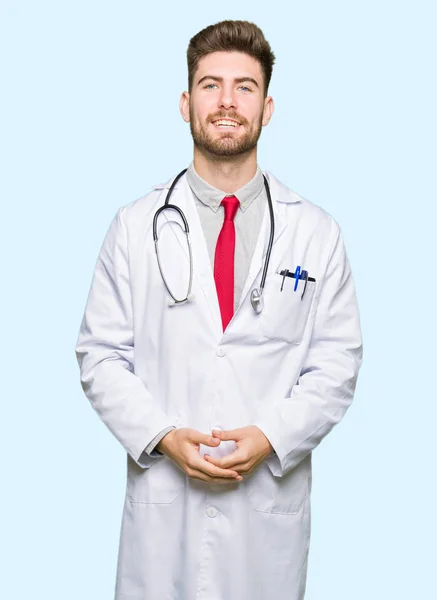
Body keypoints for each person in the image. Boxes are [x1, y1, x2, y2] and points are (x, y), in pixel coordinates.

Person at [75, 19, 363, 600]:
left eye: (244, 86)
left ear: (268, 106)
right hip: (165, 518)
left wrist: (271, 436)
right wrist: (163, 436)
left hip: (266, 518)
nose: (227, 101)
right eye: (210, 85)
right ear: (185, 103)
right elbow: (100, 356)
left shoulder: (316, 233)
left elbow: (336, 365)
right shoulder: (134, 227)